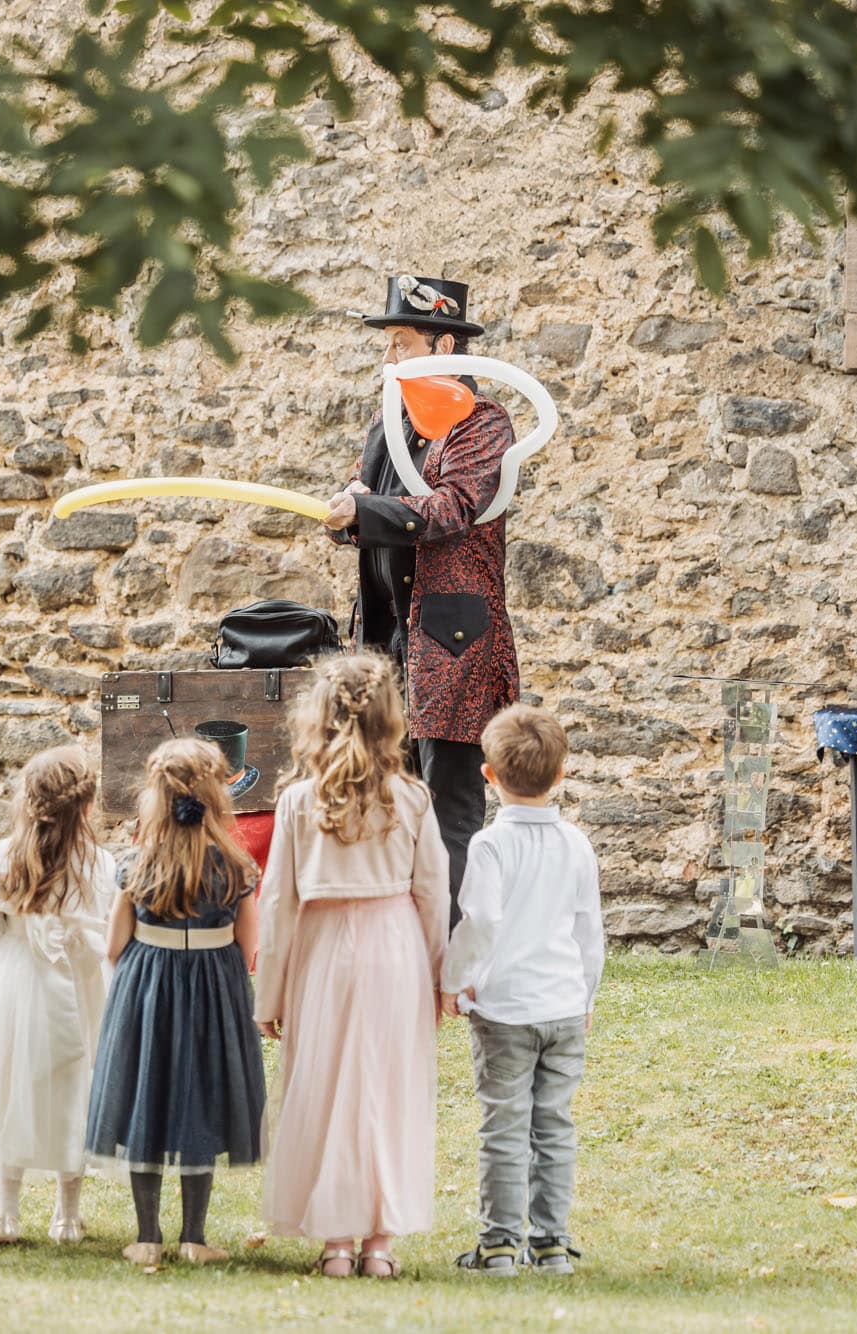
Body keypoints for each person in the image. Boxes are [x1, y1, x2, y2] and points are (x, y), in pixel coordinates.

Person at [326, 274, 521, 924]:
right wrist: (348, 510)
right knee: (383, 795)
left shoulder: (483, 424)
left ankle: (448, 948)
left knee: (448, 809)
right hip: (386, 642)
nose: (389, 358)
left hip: (450, 645)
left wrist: (364, 512)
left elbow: (452, 506)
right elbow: (362, 503)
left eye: (402, 343)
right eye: (388, 345)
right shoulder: (390, 420)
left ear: (443, 345)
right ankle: (395, 940)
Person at [254, 655, 450, 1279]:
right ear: (391, 719)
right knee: (388, 1087)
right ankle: (379, 1244)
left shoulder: (298, 801)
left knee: (325, 1085)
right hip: (394, 946)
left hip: (322, 950)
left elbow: (277, 904)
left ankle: (337, 1242)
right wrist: (438, 977)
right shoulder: (413, 799)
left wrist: (268, 994)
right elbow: (433, 893)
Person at [84, 738, 265, 1268]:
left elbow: (114, 944)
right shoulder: (236, 867)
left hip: (148, 985)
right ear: (217, 795)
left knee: (148, 1095)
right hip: (214, 988)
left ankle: (147, 1237)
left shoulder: (136, 864)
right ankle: (194, 1237)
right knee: (200, 1099)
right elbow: (247, 947)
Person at [440, 704, 603, 1277]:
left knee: (504, 1128)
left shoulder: (489, 845)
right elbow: (589, 931)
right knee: (554, 1125)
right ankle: (551, 1243)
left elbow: (480, 921)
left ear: (488, 774)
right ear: (560, 774)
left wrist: (454, 980)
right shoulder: (577, 844)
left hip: (505, 1010)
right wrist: (586, 997)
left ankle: (500, 1245)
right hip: (563, 1005)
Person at [0, 745, 116, 1245]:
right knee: (76, 1086)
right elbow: (109, 919)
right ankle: (67, 1216)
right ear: (87, 807)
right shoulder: (99, 862)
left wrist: (1, 930)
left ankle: (7, 1212)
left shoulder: (6, 855)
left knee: (11, 1086)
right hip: (82, 978)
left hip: (15, 979)